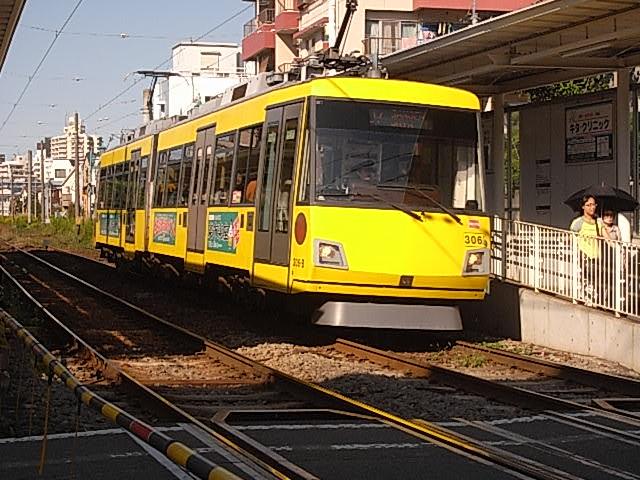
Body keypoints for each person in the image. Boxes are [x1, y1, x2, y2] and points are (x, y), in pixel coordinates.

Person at [569, 195, 604, 305]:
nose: (592, 207)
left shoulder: (599, 221)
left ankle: (595, 300)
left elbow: (605, 237)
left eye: (594, 205)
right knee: (587, 278)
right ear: (583, 207)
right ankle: (586, 299)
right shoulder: (578, 222)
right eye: (589, 205)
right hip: (584, 255)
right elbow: (571, 237)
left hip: (597, 256)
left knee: (596, 279)